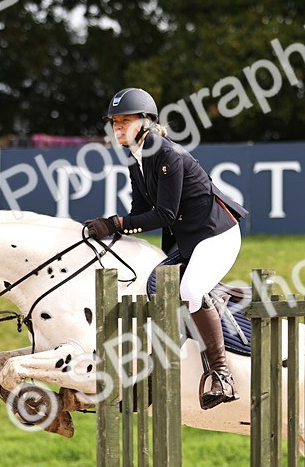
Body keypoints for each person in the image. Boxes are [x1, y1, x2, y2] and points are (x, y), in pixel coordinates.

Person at [84, 88, 249, 410]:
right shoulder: (136, 158)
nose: (117, 128)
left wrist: (117, 224)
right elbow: (140, 208)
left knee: (189, 290)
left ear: (146, 121)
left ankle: (222, 374)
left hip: (217, 236)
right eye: (114, 122)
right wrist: (114, 229)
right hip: (189, 241)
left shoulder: (168, 156)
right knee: (151, 283)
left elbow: (165, 215)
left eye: (125, 121)